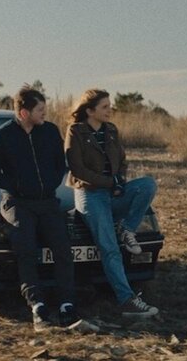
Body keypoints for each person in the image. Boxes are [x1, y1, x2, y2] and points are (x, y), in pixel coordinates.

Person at [0, 86, 79, 331]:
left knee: (63, 249)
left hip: (47, 201)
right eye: (40, 110)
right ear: (24, 112)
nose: (45, 113)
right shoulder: (2, 136)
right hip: (17, 203)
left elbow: (60, 164)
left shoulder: (50, 132)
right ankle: (38, 306)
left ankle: (67, 304)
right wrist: (17, 187)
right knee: (26, 250)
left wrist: (50, 182)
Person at [65, 89, 159, 318]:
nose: (110, 110)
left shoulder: (111, 130)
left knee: (147, 185)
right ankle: (126, 299)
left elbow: (122, 160)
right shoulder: (75, 131)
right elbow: (77, 168)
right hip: (89, 194)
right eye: (105, 107)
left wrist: (120, 181)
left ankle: (127, 229)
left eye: (110, 106)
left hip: (113, 191)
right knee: (109, 247)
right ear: (90, 110)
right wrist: (109, 182)